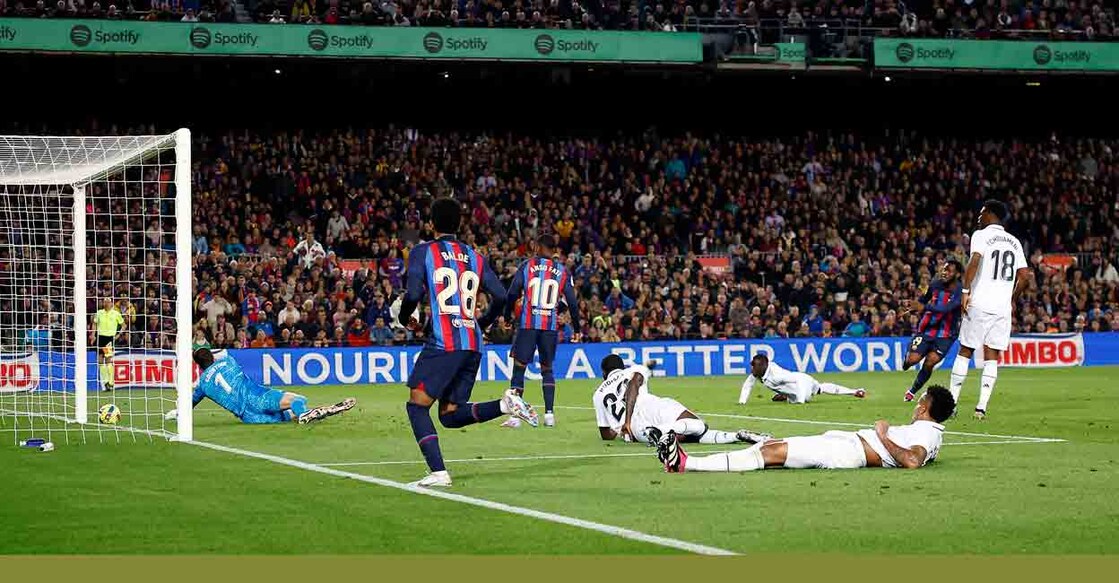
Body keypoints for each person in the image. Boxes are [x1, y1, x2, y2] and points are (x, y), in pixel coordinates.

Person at [399, 197, 538, 488]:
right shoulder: (474, 256)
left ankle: (438, 472)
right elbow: (501, 296)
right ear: (459, 224)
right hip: (472, 342)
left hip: (444, 342)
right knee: (449, 415)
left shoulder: (422, 252)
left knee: (417, 405)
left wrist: (403, 316)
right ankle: (504, 405)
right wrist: (481, 324)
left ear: (430, 224)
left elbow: (412, 293)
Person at [658, 385, 954, 473]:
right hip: (846, 444)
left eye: (920, 401)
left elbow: (912, 461)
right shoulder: (931, 433)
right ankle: (683, 461)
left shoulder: (927, 433)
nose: (916, 405)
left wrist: (881, 435)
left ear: (925, 408)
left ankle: (685, 463)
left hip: (851, 451)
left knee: (770, 452)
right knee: (768, 449)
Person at [951, 200, 1033, 419]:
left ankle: (951, 404)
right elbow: (1025, 276)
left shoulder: (981, 235)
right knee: (992, 355)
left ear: (990, 214)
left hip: (979, 302)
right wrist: (1012, 298)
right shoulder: (1015, 242)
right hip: (1001, 307)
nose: (979, 217)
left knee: (965, 350)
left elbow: (974, 261)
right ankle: (981, 408)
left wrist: (966, 291)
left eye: (981, 213)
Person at [595, 355, 770, 446]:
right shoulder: (634, 369)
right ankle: (735, 435)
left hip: (635, 429)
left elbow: (606, 435)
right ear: (622, 366)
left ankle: (737, 436)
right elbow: (634, 384)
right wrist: (626, 421)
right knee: (698, 427)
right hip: (653, 406)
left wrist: (622, 427)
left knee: (693, 433)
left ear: (604, 373)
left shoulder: (598, 394)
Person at [501, 233, 579, 429]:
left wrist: (508, 315)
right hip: (549, 328)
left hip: (528, 325)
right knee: (547, 369)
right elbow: (572, 302)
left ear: (537, 247)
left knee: (519, 368)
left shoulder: (527, 266)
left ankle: (515, 418)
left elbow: (512, 293)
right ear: (554, 250)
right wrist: (577, 327)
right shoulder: (562, 271)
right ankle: (549, 415)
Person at [169, 349, 355, 425]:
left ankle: (302, 414)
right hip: (257, 397)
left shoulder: (202, 384)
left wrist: (177, 413)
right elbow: (222, 356)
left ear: (198, 366)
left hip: (249, 417)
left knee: (285, 415)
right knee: (298, 399)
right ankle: (304, 414)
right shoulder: (227, 360)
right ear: (212, 356)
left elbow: (190, 404)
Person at [900, 259, 964, 402]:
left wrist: (924, 307)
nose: (945, 272)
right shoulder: (935, 284)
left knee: (930, 362)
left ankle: (912, 391)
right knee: (912, 360)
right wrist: (914, 306)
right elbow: (925, 298)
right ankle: (907, 359)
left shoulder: (960, 290)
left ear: (957, 274)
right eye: (944, 269)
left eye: (949, 270)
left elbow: (947, 309)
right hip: (927, 328)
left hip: (946, 334)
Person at [737, 354, 866, 405]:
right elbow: (747, 385)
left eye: (754, 366)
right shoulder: (759, 372)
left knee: (805, 397)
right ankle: (855, 392)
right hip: (801, 379)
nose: (752, 369)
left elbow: (797, 381)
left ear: (763, 365)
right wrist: (742, 402)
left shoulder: (776, 375)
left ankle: (787, 397)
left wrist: (800, 400)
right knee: (822, 388)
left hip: (802, 382)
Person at [92, 298, 125, 392]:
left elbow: (123, 325)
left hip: (109, 339)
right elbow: (94, 324)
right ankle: (106, 382)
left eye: (108, 302)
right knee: (100, 359)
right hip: (100, 338)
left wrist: (119, 334)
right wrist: (93, 335)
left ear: (112, 303)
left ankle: (111, 382)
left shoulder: (116, 314)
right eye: (105, 301)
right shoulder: (99, 313)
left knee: (108, 359)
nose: (106, 303)